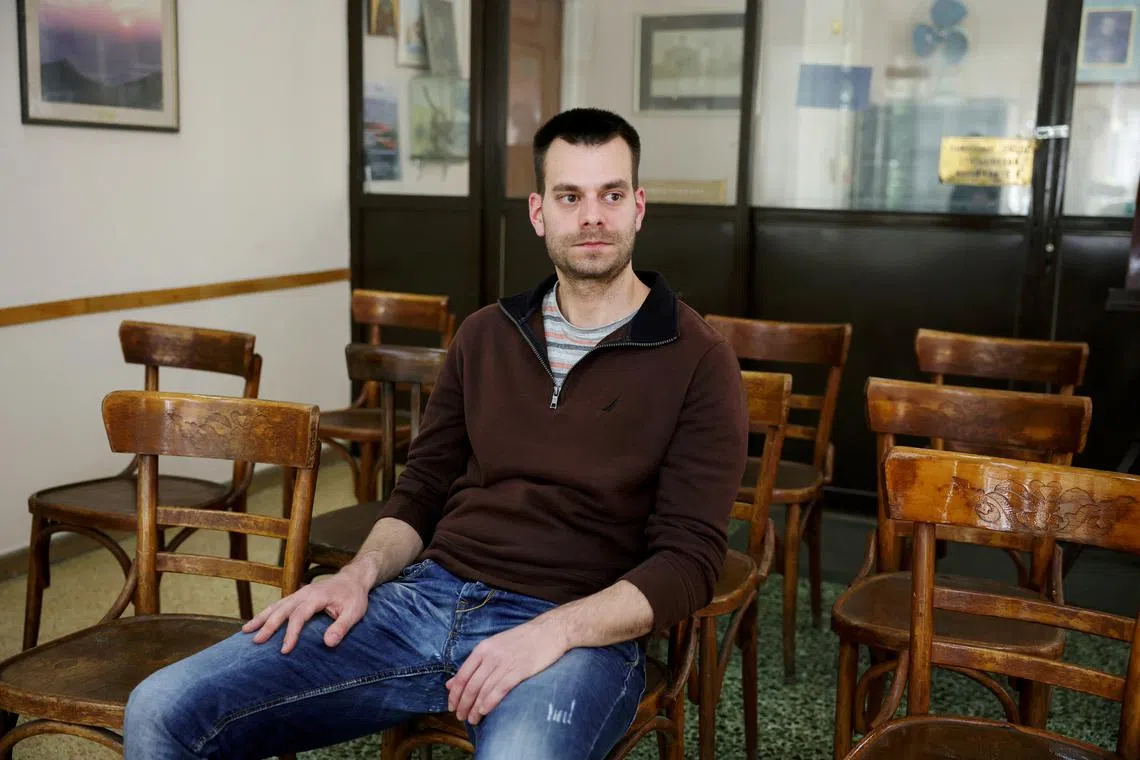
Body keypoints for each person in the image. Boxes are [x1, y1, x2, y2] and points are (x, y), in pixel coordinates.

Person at [123, 107, 748, 759]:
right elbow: (421, 489)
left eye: (610, 195)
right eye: (570, 196)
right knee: (163, 708)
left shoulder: (699, 359)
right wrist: (358, 574)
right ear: (539, 213)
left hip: (577, 630)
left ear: (638, 207)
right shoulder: (485, 335)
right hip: (423, 600)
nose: (592, 216)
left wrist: (555, 632)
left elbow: (689, 561)